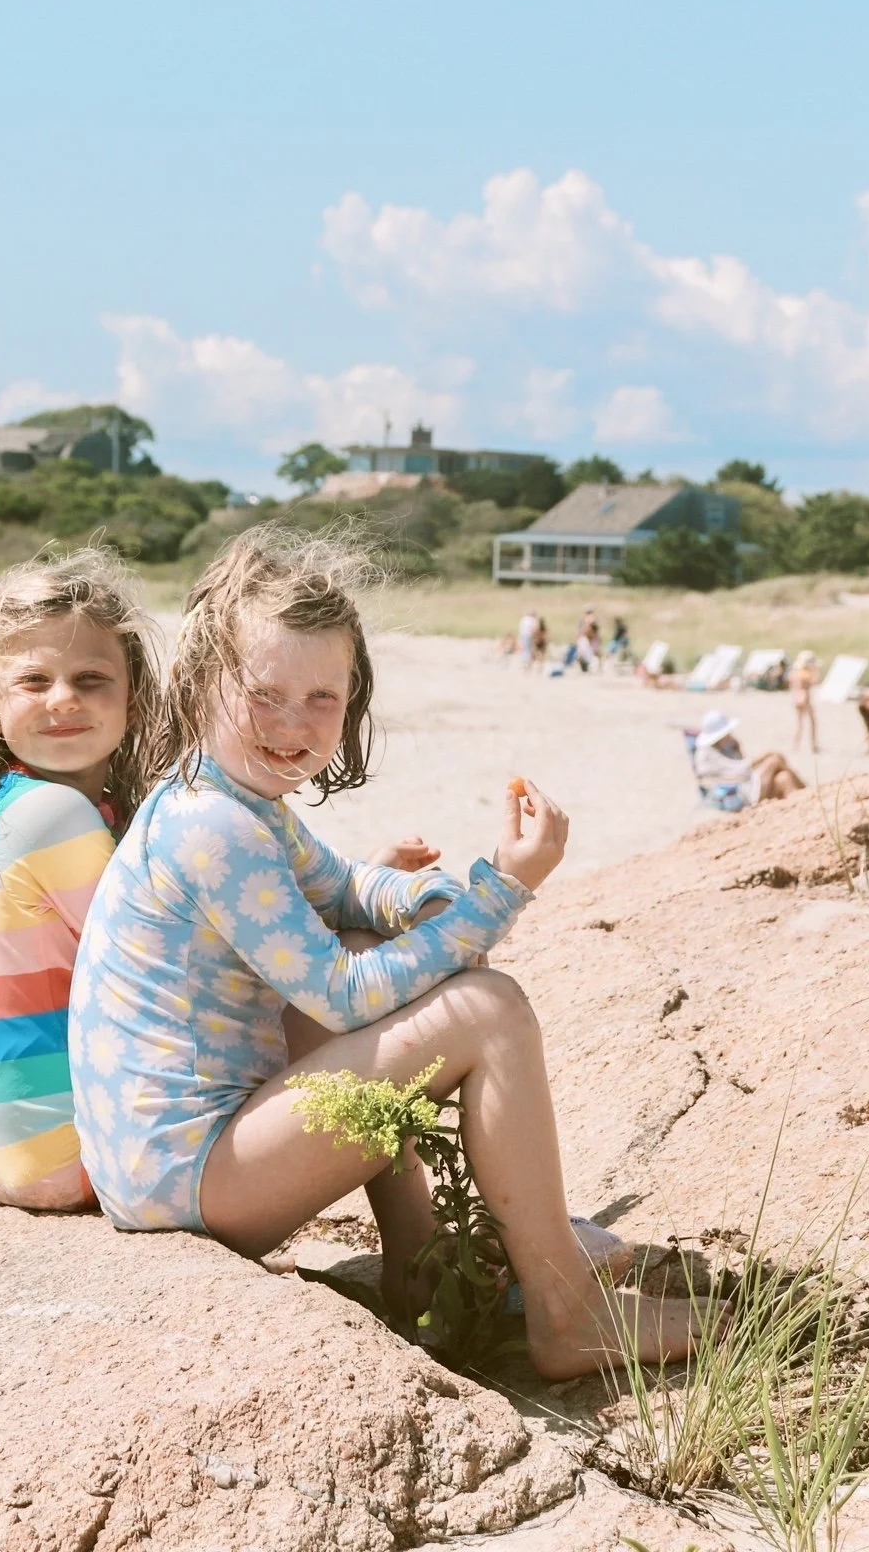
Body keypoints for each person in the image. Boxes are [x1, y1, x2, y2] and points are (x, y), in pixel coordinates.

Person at [71, 528, 695, 1381]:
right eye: (265, 694)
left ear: (353, 697)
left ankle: (419, 1257)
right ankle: (566, 1309)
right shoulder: (215, 827)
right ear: (198, 679)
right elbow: (337, 998)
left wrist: (435, 898)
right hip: (192, 1179)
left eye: (322, 698)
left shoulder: (228, 797)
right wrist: (499, 900)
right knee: (488, 1009)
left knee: (376, 942)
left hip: (178, 1166)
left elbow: (346, 890)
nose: (293, 725)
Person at [0, 549, 159, 1212]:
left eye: (90, 678)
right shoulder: (52, 813)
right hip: (70, 1156)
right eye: (34, 680)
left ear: (133, 695)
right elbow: (159, 964)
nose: (63, 699)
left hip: (22, 1155)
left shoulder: (23, 804)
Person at [692, 708, 804, 810]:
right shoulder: (706, 754)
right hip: (738, 792)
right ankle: (808, 792)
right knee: (774, 760)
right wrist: (763, 756)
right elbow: (740, 770)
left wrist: (738, 749)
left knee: (784, 778)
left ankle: (803, 805)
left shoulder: (725, 747)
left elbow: (741, 767)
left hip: (745, 784)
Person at [789, 650, 820, 755]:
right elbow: (815, 683)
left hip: (795, 697)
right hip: (805, 697)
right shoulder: (806, 674)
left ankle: (795, 744)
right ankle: (813, 745)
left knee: (799, 722)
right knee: (812, 722)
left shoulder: (795, 673)